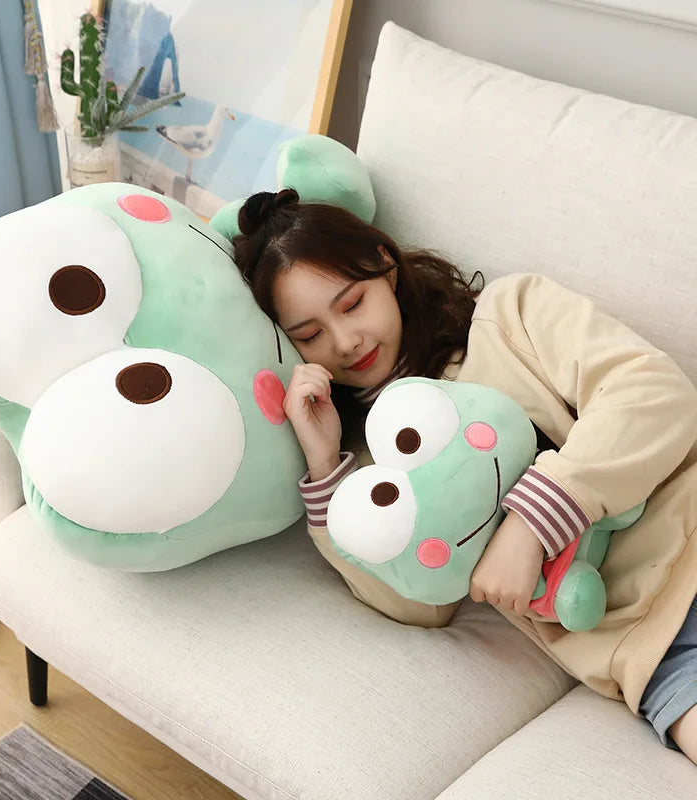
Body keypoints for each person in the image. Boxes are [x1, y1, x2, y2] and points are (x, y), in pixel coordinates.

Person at [232, 188, 697, 761]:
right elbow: (422, 605)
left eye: (352, 304)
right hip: (652, 648)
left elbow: (654, 392)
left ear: (385, 265)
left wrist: (533, 522)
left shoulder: (510, 316)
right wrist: (326, 467)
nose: (345, 342)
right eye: (310, 335)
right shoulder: (371, 468)